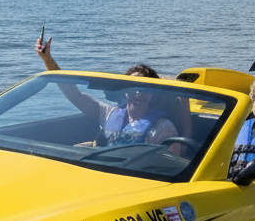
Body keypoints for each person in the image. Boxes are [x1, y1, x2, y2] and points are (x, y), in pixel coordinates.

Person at [34, 36, 179, 147]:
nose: (138, 94)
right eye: (133, 88)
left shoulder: (163, 127)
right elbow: (74, 94)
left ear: (152, 94)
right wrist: (47, 60)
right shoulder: (108, 114)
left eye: (143, 89)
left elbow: (171, 163)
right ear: (125, 91)